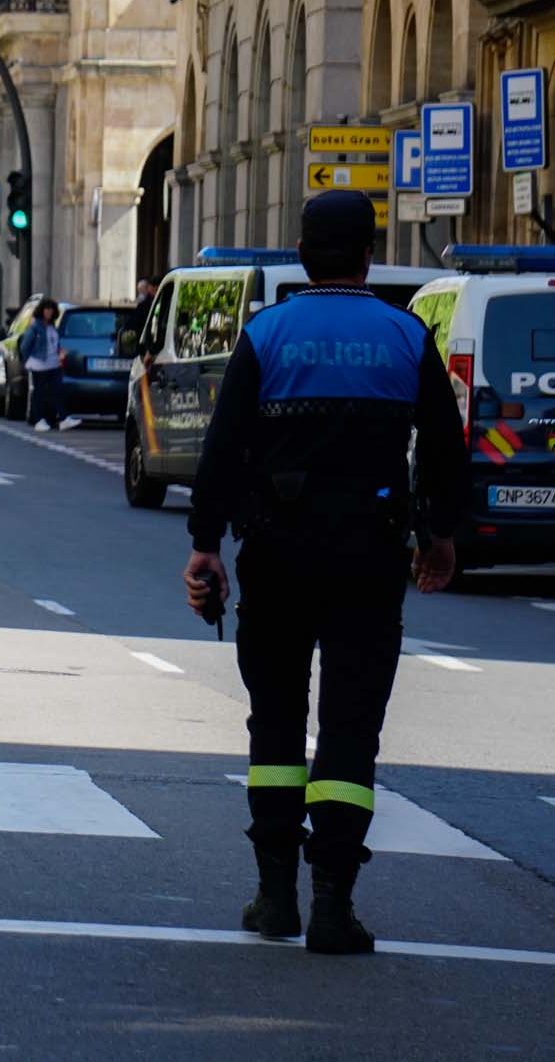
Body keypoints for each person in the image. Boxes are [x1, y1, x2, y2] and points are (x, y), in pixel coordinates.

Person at [183, 190, 466, 957]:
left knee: (275, 723)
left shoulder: (266, 334)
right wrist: (440, 536)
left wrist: (205, 544)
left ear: (303, 253)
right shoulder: (406, 337)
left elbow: (222, 450)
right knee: (349, 728)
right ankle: (334, 904)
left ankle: (276, 895)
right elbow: (444, 448)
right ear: (369, 254)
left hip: (275, 556)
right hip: (369, 562)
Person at [20, 299, 80, 432]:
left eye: (51, 310)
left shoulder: (52, 327)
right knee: (39, 393)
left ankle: (63, 419)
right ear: (41, 311)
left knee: (58, 391)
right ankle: (39, 420)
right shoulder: (35, 327)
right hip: (39, 364)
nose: (49, 312)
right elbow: (25, 346)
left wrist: (61, 352)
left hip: (54, 363)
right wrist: (27, 361)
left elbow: (54, 344)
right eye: (46, 309)